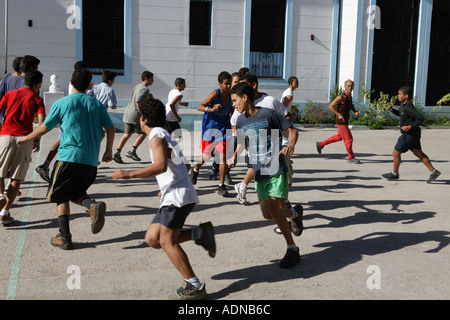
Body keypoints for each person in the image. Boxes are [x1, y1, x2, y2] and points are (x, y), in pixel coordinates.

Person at [112, 98, 216, 300]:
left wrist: (129, 174)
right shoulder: (165, 134)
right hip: (175, 194)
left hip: (177, 198)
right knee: (152, 239)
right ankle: (200, 233)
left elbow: (160, 165)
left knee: (167, 241)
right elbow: (184, 166)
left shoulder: (157, 136)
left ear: (143, 119)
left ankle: (194, 285)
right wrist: (167, 184)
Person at [17, 69, 115, 249]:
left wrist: (26, 137)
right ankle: (91, 205)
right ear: (89, 85)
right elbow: (110, 128)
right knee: (75, 194)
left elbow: (45, 128)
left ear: (71, 81)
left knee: (60, 196)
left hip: (68, 158)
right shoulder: (97, 105)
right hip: (90, 162)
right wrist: (108, 151)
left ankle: (65, 236)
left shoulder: (62, 103)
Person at [228, 82, 302, 268]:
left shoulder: (268, 114)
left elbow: (292, 130)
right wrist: (234, 156)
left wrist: (290, 144)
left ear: (245, 97)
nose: (234, 105)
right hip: (259, 170)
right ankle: (294, 213)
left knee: (274, 209)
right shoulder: (241, 120)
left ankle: (292, 249)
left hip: (276, 167)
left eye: (235, 101)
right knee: (267, 215)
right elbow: (241, 141)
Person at [233, 73, 289, 205]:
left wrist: (286, 140)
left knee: (283, 192)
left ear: (253, 86)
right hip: (257, 154)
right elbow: (238, 129)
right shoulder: (240, 110)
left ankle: (286, 217)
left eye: (244, 85)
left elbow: (287, 117)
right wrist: (235, 154)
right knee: (269, 209)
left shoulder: (270, 101)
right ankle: (289, 215)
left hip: (279, 150)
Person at [0, 70, 46, 225]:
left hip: (6, 136)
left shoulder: (10, 94)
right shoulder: (37, 99)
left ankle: (0, 195)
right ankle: (5, 211)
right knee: (16, 177)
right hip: (25, 139)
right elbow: (41, 122)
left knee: (0, 171)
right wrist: (37, 139)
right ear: (38, 84)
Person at [36, 61, 91, 183]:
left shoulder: (73, 80)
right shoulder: (78, 82)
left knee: (61, 141)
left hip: (71, 114)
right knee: (63, 141)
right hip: (73, 116)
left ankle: (46, 165)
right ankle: (46, 165)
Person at [382, 86, 441, 183]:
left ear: (406, 96)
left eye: (400, 94)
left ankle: (395, 173)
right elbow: (401, 114)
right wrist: (392, 110)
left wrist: (410, 126)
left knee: (395, 152)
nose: (398, 96)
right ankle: (433, 171)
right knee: (419, 153)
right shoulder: (403, 105)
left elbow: (420, 118)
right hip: (413, 135)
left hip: (409, 135)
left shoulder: (409, 107)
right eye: (398, 94)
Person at [189, 71, 232, 196]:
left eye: (229, 84)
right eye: (226, 84)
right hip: (210, 128)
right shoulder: (215, 94)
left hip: (224, 128)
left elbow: (233, 108)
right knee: (207, 155)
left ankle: (221, 185)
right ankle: (195, 169)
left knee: (223, 157)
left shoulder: (230, 95)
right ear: (219, 84)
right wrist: (211, 109)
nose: (228, 86)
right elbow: (200, 106)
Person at [316, 79, 361, 164]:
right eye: (348, 86)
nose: (350, 87)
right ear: (344, 87)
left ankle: (321, 144)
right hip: (341, 121)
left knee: (339, 137)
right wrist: (339, 115)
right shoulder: (341, 97)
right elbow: (331, 106)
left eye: (351, 86)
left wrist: (355, 111)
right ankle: (351, 157)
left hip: (345, 120)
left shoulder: (349, 96)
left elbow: (350, 105)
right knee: (348, 139)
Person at [113, 71, 154, 164]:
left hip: (128, 113)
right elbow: (138, 100)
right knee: (143, 133)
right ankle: (133, 151)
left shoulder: (138, 86)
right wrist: (144, 112)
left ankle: (117, 153)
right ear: (146, 78)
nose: (153, 80)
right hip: (136, 115)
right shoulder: (145, 89)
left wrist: (148, 97)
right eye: (152, 78)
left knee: (127, 134)